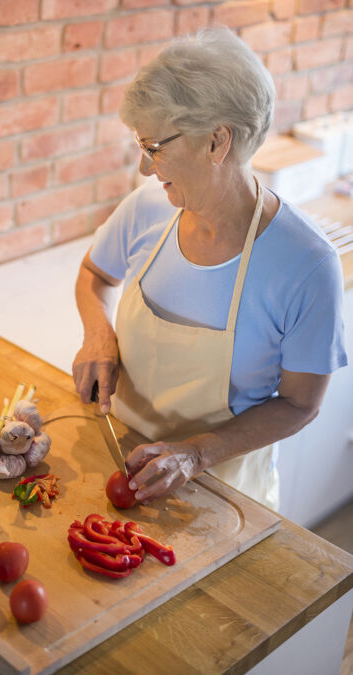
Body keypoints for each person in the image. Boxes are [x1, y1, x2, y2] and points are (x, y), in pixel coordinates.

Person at [72, 27, 347, 509]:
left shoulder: (307, 266)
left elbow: (301, 403)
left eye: (154, 147)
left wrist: (196, 454)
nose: (144, 167)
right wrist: (98, 333)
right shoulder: (145, 210)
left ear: (218, 142)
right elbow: (95, 275)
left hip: (227, 495)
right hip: (121, 459)